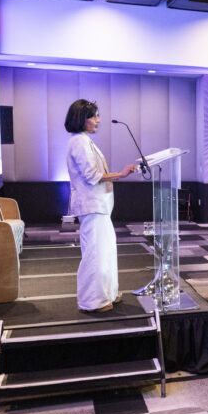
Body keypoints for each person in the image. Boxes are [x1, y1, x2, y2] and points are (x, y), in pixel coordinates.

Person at [64, 99, 139, 313]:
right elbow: (92, 176)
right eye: (94, 116)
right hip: (92, 207)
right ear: (82, 119)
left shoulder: (84, 140)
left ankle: (107, 294)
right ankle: (92, 301)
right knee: (95, 255)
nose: (99, 120)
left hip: (99, 208)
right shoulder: (78, 141)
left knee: (105, 252)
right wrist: (121, 174)